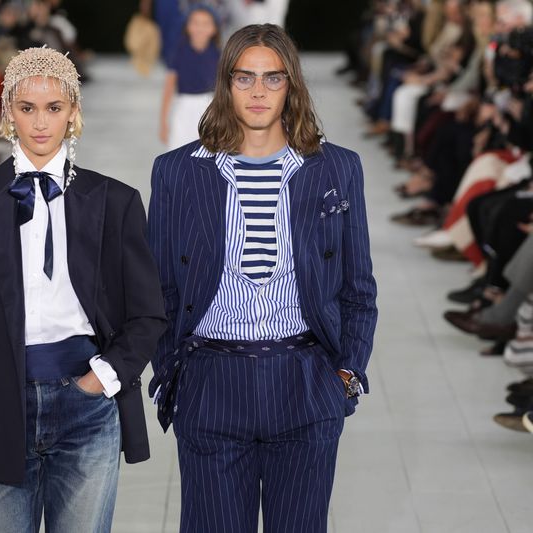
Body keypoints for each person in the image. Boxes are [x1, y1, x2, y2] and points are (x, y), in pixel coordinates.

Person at [0, 46, 166, 533]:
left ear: (74, 111)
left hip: (86, 406)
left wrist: (101, 379)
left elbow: (149, 313)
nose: (40, 123)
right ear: (7, 110)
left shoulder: (113, 201)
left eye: (54, 108)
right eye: (26, 108)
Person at [147, 24, 378, 533]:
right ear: (225, 84)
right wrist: (174, 378)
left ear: (291, 85)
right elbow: (159, 287)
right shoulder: (178, 172)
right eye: (244, 77)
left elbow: (358, 288)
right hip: (211, 382)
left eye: (272, 79)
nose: (257, 92)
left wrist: (345, 377)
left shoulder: (337, 169)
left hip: (304, 379)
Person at [159, 4, 220, 150]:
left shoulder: (219, 55)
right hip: (183, 107)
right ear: (187, 26)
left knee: (207, 154)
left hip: (209, 108)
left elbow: (224, 89)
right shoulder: (178, 52)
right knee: (178, 152)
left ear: (214, 28)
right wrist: (163, 121)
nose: (200, 28)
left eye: (206, 23)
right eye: (195, 23)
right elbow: (169, 86)